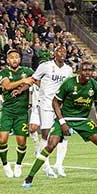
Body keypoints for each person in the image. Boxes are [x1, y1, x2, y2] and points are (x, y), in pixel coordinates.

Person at [22, 61, 97, 188]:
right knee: (51, 145)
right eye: (84, 70)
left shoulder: (93, 85)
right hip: (65, 118)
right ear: (79, 71)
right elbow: (55, 102)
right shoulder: (69, 83)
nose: (88, 72)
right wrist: (62, 122)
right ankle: (29, 178)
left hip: (82, 120)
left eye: (90, 70)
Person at [29, 46, 74, 178]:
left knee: (64, 135)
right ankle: (46, 166)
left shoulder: (68, 70)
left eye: (65, 51)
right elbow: (33, 78)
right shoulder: (45, 66)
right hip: (47, 104)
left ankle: (59, 165)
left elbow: (69, 87)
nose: (62, 53)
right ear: (54, 53)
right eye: (60, 51)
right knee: (46, 135)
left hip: (61, 106)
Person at [0, 50, 35, 178]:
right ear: (7, 60)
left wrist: (22, 88)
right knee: (2, 140)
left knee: (22, 142)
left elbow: (34, 81)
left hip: (22, 112)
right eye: (11, 58)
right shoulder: (3, 72)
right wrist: (23, 81)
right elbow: (7, 86)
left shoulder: (27, 71)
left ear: (20, 59)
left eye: (16, 57)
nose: (14, 60)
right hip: (7, 111)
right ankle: (5, 165)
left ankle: (18, 164)